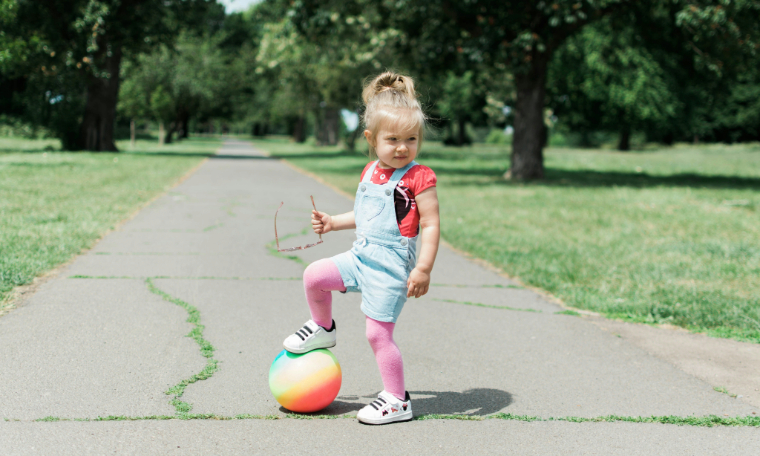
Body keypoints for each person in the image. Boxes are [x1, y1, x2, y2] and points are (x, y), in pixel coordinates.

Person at [282, 71, 440, 424]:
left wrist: (423, 268)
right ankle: (323, 328)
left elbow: (430, 224)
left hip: (390, 267)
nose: (403, 147)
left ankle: (397, 400)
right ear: (371, 138)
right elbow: (367, 215)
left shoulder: (419, 177)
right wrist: (334, 222)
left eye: (411, 139)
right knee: (314, 275)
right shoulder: (371, 171)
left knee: (377, 334)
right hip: (360, 256)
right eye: (393, 139)